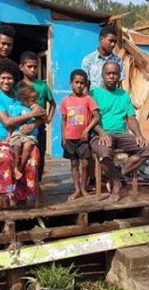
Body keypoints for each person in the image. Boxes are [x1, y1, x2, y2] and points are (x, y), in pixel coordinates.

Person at [90, 61, 149, 202]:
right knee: (105, 154)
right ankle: (117, 183)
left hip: (121, 134)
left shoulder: (124, 95)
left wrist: (139, 135)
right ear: (102, 75)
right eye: (108, 73)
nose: (111, 76)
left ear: (119, 76)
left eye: (115, 73)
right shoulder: (94, 93)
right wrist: (101, 132)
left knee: (147, 149)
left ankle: (117, 175)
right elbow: (90, 119)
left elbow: (130, 117)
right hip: (100, 134)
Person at [0, 58, 45, 208]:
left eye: (10, 78)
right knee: (5, 155)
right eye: (3, 78)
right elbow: (6, 122)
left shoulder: (19, 96)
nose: (6, 81)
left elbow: (40, 117)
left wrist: (34, 124)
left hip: (20, 137)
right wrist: (30, 116)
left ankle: (21, 194)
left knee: (33, 154)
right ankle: (5, 194)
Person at [60, 69, 100, 201]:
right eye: (76, 82)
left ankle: (83, 187)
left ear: (86, 84)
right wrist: (63, 137)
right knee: (74, 164)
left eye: (82, 83)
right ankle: (76, 189)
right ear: (71, 83)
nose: (79, 85)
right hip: (70, 138)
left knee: (85, 164)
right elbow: (64, 119)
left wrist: (87, 130)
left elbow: (96, 117)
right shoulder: (66, 101)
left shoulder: (88, 99)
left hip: (83, 139)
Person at [17, 51, 56, 181]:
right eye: (29, 66)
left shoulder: (42, 86)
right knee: (20, 155)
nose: (33, 70)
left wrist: (48, 119)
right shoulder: (17, 87)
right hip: (21, 129)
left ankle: (37, 186)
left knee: (39, 158)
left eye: (35, 67)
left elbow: (53, 104)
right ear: (21, 67)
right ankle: (20, 183)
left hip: (39, 128)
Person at [9, 86, 47, 180]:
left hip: (31, 135)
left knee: (28, 147)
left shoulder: (36, 109)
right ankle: (15, 167)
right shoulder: (18, 108)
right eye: (32, 100)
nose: (34, 102)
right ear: (23, 100)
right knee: (16, 146)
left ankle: (20, 168)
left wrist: (40, 113)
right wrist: (9, 135)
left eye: (35, 100)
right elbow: (13, 122)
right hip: (18, 132)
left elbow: (47, 119)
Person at [81, 24, 125, 91]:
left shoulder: (118, 61)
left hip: (112, 100)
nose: (113, 44)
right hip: (94, 99)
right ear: (101, 39)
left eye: (115, 42)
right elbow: (84, 85)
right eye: (110, 41)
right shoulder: (88, 60)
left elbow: (119, 85)